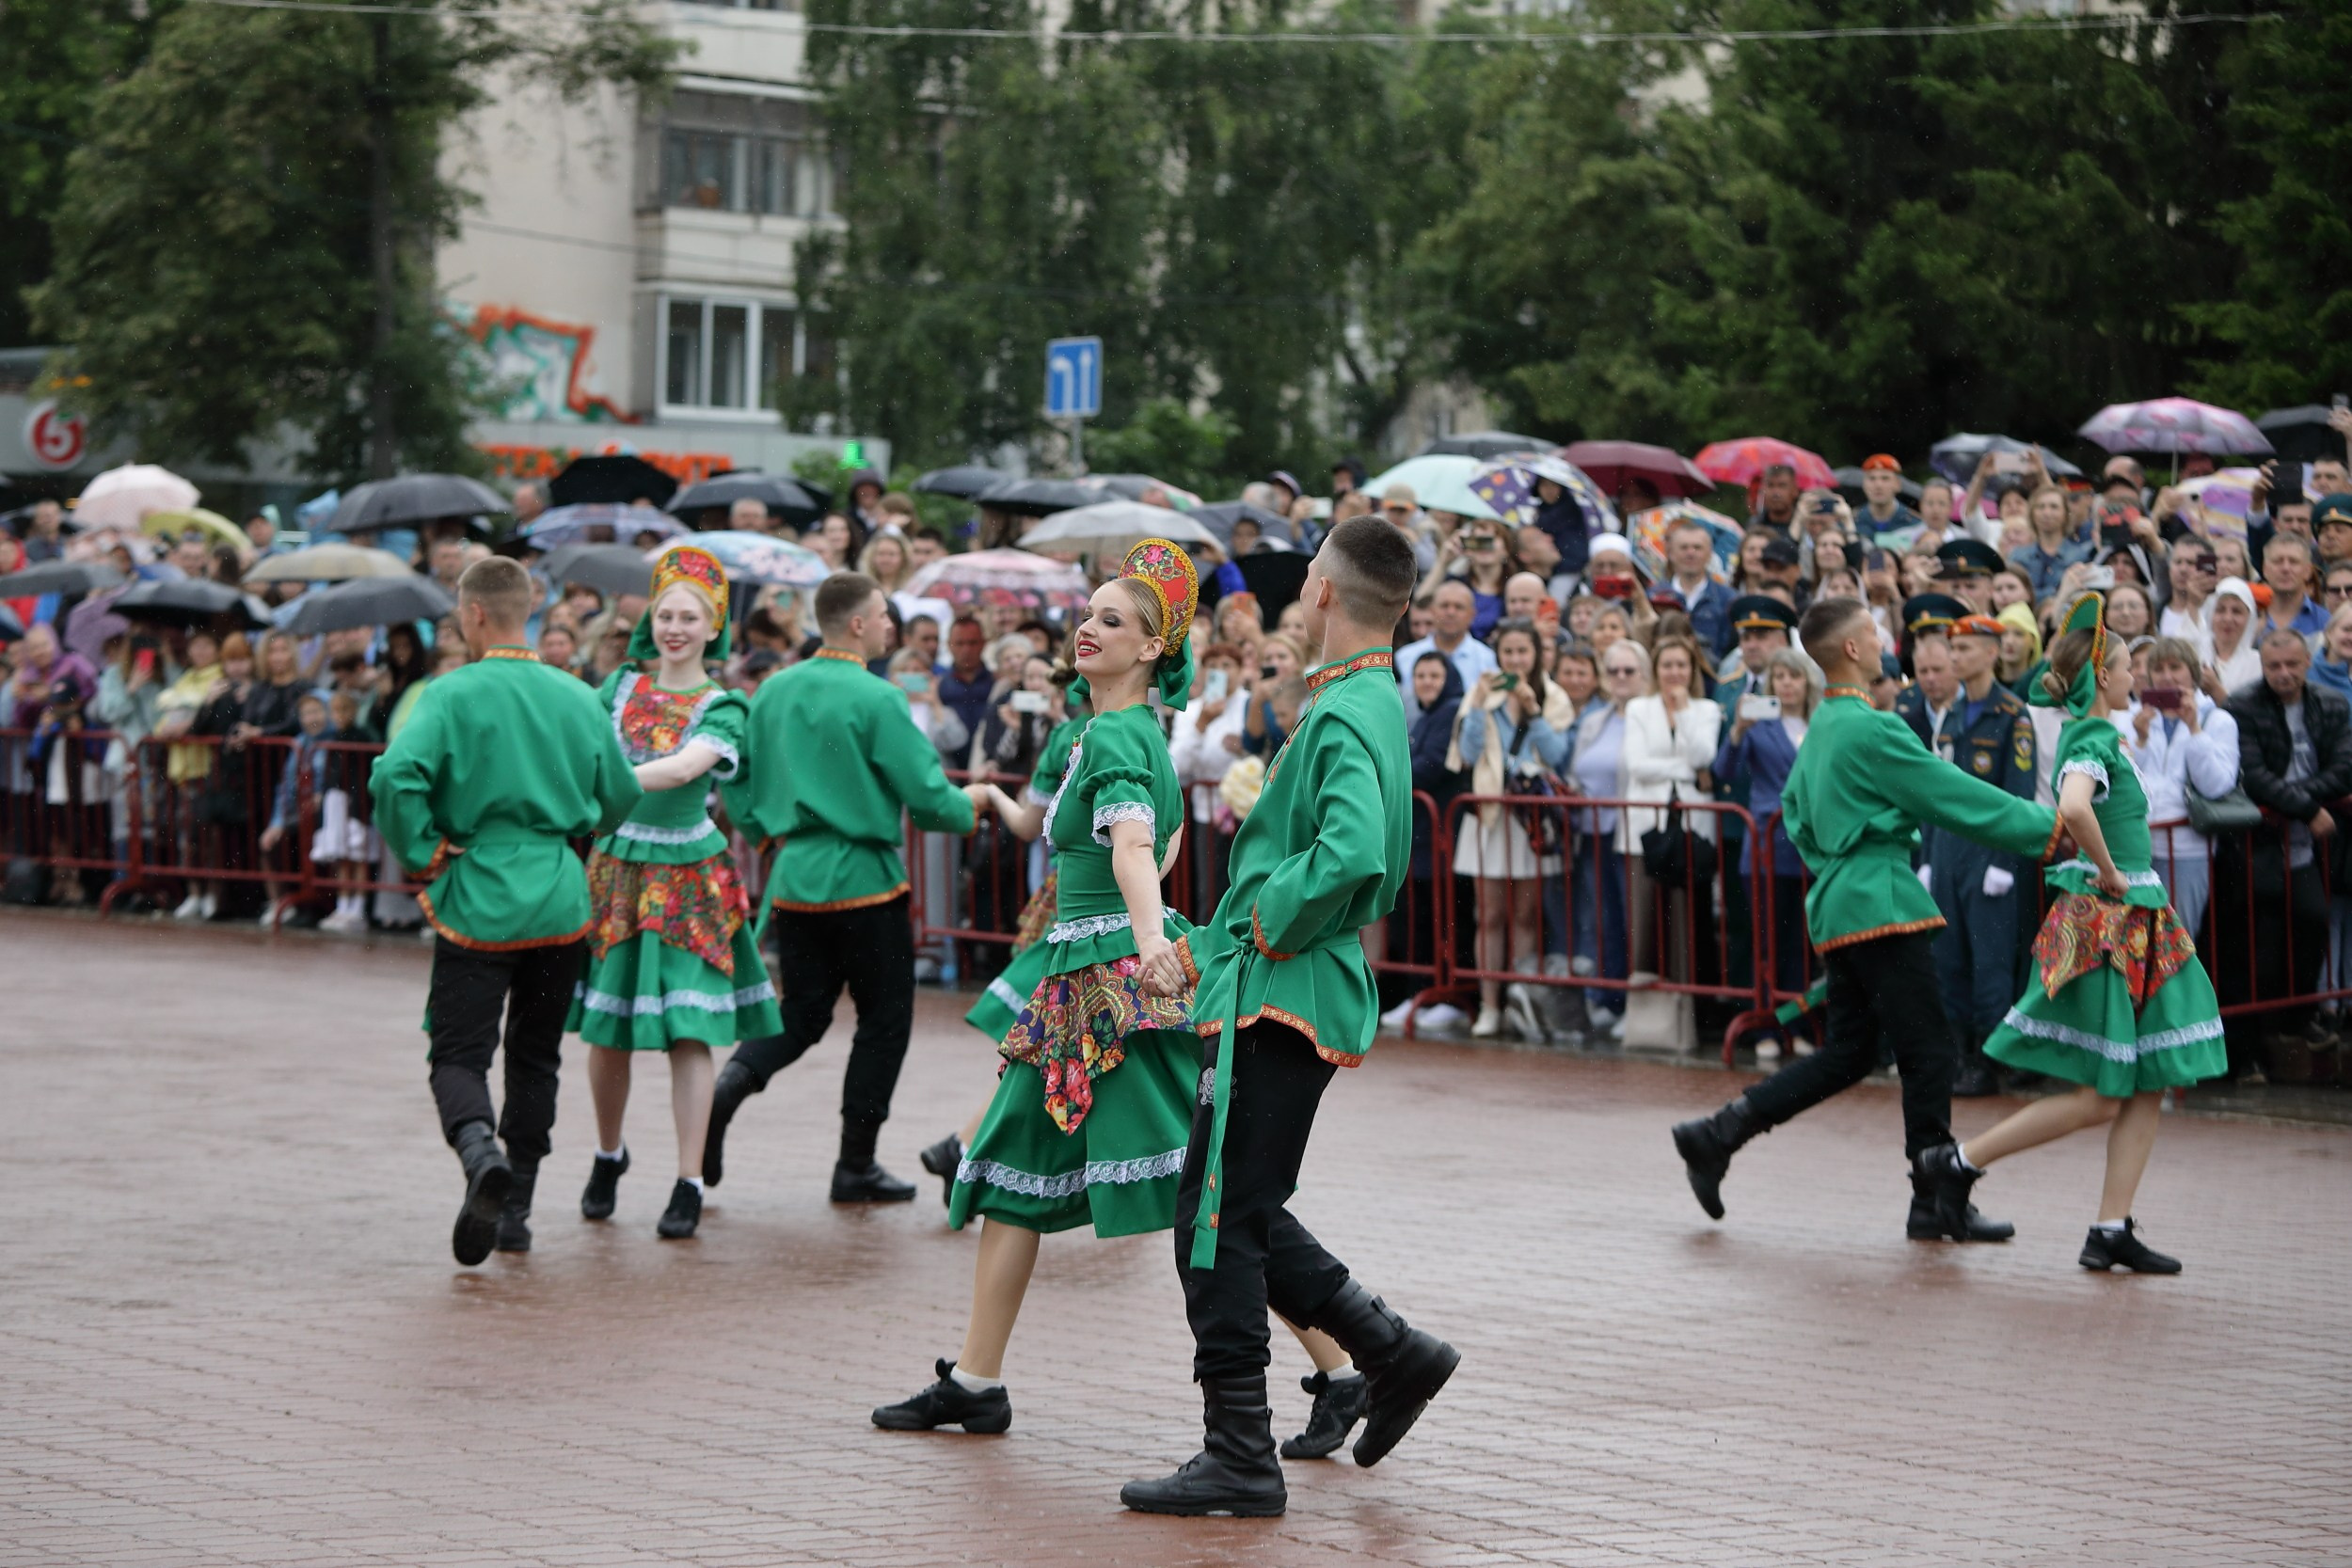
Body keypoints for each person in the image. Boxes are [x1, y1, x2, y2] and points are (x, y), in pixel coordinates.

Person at [1123, 515, 1456, 1518]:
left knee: (1216, 1222)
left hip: (1286, 985)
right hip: (1280, 978)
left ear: (1323, 591)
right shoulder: (1358, 699)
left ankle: (1240, 1453)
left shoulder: (1351, 707)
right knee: (1240, 1207)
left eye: (1306, 574)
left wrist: (1261, 918)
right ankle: (1394, 1350)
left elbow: (1353, 854)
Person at [874, 540, 1216, 1433]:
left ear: (1151, 648)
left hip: (1109, 986)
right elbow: (1155, 845)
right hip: (1081, 980)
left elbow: (1139, 846)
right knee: (1016, 1167)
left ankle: (1350, 1356)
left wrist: (1149, 944)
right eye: (1089, 613)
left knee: (1208, 1186)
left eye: (1113, 619)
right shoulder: (1118, 734)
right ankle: (977, 1379)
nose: (1088, 628)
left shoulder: (1114, 735)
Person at [1670, 596, 2060, 1243]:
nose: (1885, 645)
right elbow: (1954, 795)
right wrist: (2050, 830)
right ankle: (1934, 1199)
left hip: (1840, 899)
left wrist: (1838, 859)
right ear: (1851, 649)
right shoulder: (1876, 727)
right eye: (1874, 636)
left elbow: (1794, 814)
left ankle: (1719, 1132)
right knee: (1929, 1048)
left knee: (1851, 1051)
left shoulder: (1824, 724)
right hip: (1881, 900)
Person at [1916, 594, 2226, 1273]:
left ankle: (2109, 1225)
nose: (2132, 674)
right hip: (2111, 920)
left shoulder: (2106, 734)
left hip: (2136, 918)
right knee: (2103, 1092)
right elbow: (2074, 807)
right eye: (2122, 666)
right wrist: (2110, 872)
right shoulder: (2092, 737)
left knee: (2146, 1080)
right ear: (2098, 678)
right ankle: (1960, 1160)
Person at [370, 557, 644, 1266]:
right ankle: (516, 1203)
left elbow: (395, 773)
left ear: (475, 615)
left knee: (459, 1052)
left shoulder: (450, 691)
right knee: (536, 1054)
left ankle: (478, 1149)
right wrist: (573, 833)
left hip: (480, 890)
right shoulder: (577, 694)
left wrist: (425, 850)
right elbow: (618, 793)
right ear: (527, 608)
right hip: (558, 891)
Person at [705, 572, 979, 1202]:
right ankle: (854, 1163)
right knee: (884, 1020)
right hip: (865, 879)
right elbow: (928, 795)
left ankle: (735, 1081)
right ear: (857, 623)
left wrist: (768, 833)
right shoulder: (877, 696)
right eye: (884, 615)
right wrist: (973, 807)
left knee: (800, 1015)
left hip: (795, 877)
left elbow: (737, 782)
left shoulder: (772, 691)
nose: (891, 626)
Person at [564, 546, 781, 1243]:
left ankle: (688, 1176)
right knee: (610, 1026)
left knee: (689, 1027)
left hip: (688, 875)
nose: (676, 627)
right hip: (618, 871)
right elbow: (574, 743)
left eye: (690, 616)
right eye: (666, 614)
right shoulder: (617, 689)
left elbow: (688, 766)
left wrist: (605, 781)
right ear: (650, 619)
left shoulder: (725, 705)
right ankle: (608, 1152)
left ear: (714, 625)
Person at [2217, 630, 2352, 1078]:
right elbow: (2251, 774)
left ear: (2308, 662)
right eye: (2274, 666)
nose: (2283, 674)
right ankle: (2248, 1048)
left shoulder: (2331, 704)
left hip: (2306, 845)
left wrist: (2300, 803)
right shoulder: (2243, 705)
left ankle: (2298, 1019)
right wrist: (2308, 807)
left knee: (2313, 920)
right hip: (2256, 845)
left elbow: (2345, 767)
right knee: (2255, 948)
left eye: (2292, 665)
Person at [1922, 615, 2038, 1098]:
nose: (1956, 658)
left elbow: (2019, 792)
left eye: (1966, 649)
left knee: (1990, 964)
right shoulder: (1949, 714)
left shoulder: (2013, 714)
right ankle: (1960, 1056)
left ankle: (1991, 1062)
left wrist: (2004, 862)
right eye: (1954, 649)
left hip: (1989, 853)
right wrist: (1928, 857)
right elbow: (1934, 790)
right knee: (1948, 961)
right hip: (1948, 850)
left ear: (1992, 653)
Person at [1449, 619, 1575, 1040]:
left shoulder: (1552, 696)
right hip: (1489, 813)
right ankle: (1490, 1006)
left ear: (1537, 654)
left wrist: (1533, 711)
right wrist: (1481, 705)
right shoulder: (1481, 691)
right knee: (1489, 915)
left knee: (1525, 915)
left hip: (1530, 819)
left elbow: (1557, 755)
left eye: (1523, 652)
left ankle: (1520, 1001)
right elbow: (1466, 755)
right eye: (1508, 653)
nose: (1516, 660)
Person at [1714, 647, 1819, 1057]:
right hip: (1766, 845)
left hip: (1808, 847)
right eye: (1780, 678)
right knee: (1765, 941)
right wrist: (1738, 730)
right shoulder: (1758, 725)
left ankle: (1796, 1023)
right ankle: (1765, 1028)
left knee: (1800, 944)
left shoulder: (1819, 723)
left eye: (1794, 677)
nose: (1788, 685)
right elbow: (1723, 771)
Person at [2128, 637, 2240, 941]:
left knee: (2177, 940)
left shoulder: (2217, 719)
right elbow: (2125, 781)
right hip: (2139, 846)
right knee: (2138, 942)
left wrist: (2194, 730)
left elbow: (2217, 785)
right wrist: (2138, 740)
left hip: (2187, 848)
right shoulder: (2135, 718)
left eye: (2175, 667)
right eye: (2159, 668)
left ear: (2192, 672)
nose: (2167, 676)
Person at [1396, 580, 1496, 716]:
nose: (1450, 612)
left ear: (1472, 614)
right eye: (1444, 606)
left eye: (1459, 607)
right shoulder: (1405, 657)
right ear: (1432, 611)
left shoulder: (1486, 658)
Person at [1659, 520, 1736, 659]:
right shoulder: (1655, 597)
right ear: (1671, 553)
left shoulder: (1729, 600)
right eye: (1684, 547)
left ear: (1709, 554)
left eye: (1697, 547)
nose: (1690, 553)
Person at [2203, 577, 2262, 697]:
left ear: (2249, 619)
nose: (2228, 619)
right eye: (2220, 610)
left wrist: (2216, 690)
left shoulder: (2258, 663)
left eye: (2236, 611)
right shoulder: (2195, 654)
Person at [1853, 454, 1922, 541]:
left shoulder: (1914, 523)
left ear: (1898, 484)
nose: (1878, 485)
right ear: (1863, 484)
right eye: (1872, 479)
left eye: (1885, 478)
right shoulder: (1853, 521)